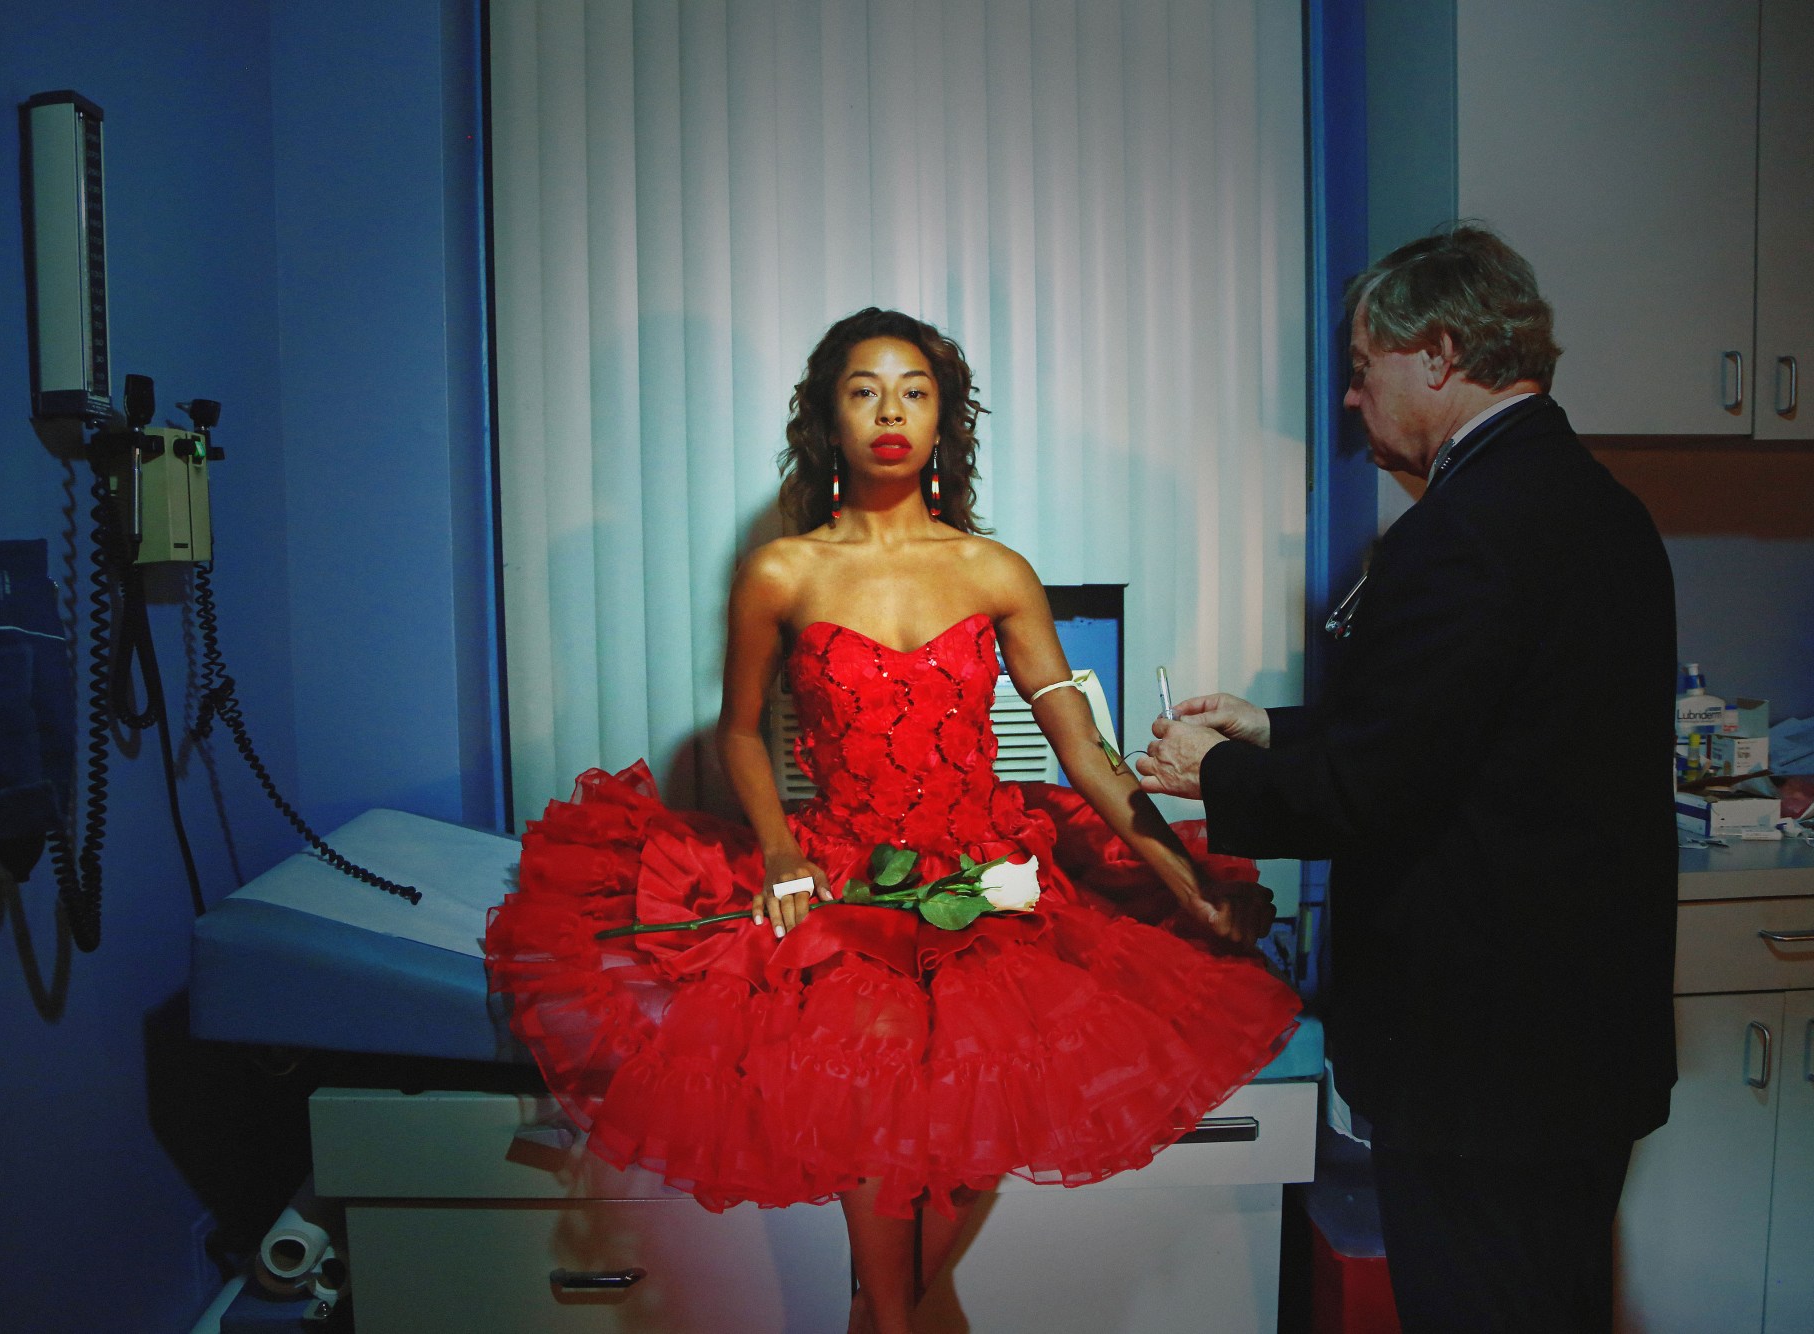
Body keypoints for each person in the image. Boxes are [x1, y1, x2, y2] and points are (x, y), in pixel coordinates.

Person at [486, 307, 1301, 1334]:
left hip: (993, 885)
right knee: (883, 1191)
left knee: (922, 1214)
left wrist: (1189, 886)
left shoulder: (991, 569)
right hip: (845, 884)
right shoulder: (781, 571)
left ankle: (884, 1312)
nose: (889, 412)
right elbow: (738, 734)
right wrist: (779, 853)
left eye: (913, 391)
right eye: (864, 389)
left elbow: (1078, 749)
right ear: (828, 418)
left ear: (941, 421)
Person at [1135, 226, 1677, 1333]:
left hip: (1485, 1063)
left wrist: (1218, 771)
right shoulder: (1593, 505)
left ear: (1434, 354)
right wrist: (1275, 726)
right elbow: (1464, 732)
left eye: (1359, 367)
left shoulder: (1462, 530)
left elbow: (1377, 789)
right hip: (1573, 1051)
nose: (1347, 400)